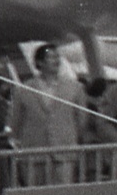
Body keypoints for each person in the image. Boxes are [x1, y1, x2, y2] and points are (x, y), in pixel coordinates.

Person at [9, 44, 85, 184]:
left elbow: (81, 121)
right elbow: (15, 122)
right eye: (51, 57)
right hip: (34, 153)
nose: (56, 60)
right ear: (39, 62)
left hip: (64, 153)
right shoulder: (23, 90)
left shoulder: (75, 88)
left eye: (58, 56)